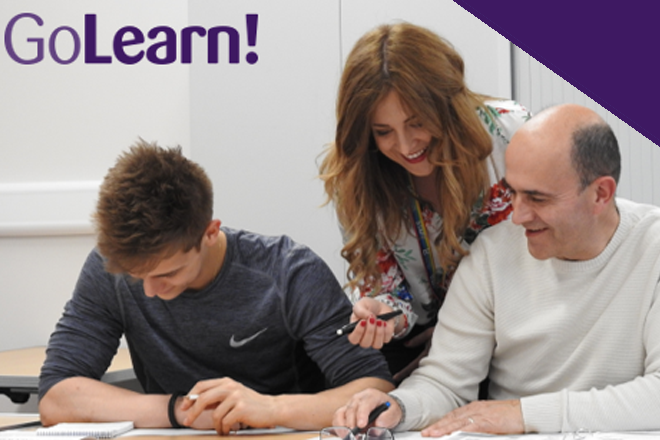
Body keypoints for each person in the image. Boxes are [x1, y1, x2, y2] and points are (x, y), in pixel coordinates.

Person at [333, 103, 660, 434]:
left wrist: (523, 414)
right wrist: (398, 407)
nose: (516, 216)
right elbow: (445, 383)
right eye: (513, 192)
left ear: (600, 194)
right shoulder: (490, 254)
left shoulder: (653, 247)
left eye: (537, 198)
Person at [38, 141, 394, 434]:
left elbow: (374, 389)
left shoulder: (289, 272)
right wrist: (180, 410)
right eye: (136, 275)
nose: (148, 291)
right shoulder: (108, 267)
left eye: (167, 273)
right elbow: (56, 396)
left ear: (210, 233)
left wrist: (271, 408)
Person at [319, 22, 531, 380]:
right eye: (382, 132)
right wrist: (379, 312)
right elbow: (392, 298)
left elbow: (555, 253)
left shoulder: (510, 135)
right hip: (424, 347)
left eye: (417, 122)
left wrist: (465, 332)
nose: (404, 146)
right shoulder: (355, 179)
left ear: (447, 104)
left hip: (519, 327)